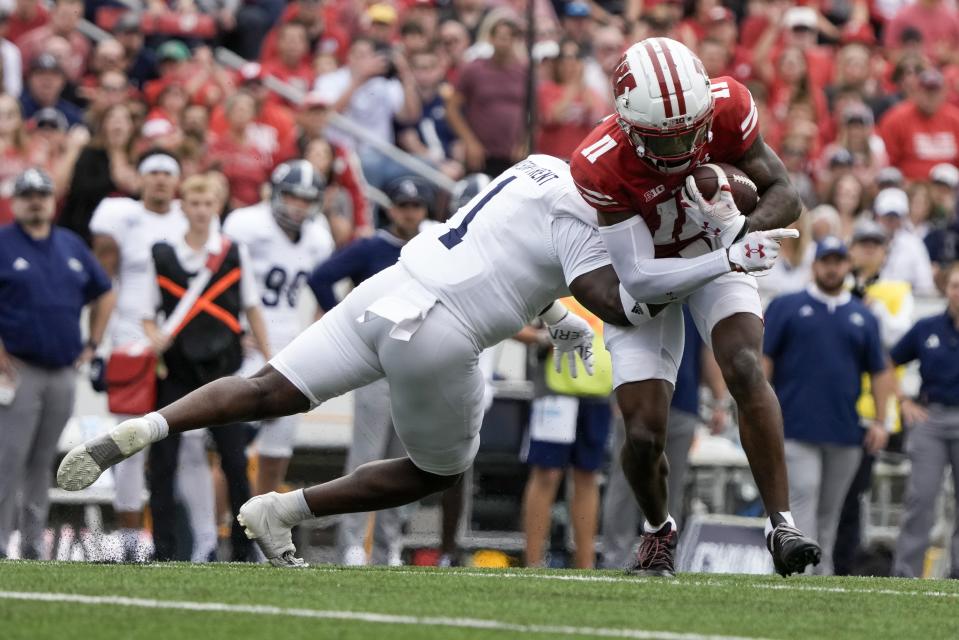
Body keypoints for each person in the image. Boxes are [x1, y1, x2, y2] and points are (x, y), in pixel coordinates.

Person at [57, 154, 797, 567]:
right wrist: (587, 316)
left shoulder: (530, 170)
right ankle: (284, 508)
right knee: (435, 470)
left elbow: (511, 253)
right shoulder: (591, 217)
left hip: (395, 284)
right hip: (439, 333)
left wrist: (550, 317)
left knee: (266, 388)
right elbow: (622, 302)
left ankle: (146, 426)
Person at [568, 36, 820, 576]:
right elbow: (638, 278)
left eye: (692, 130)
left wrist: (744, 231)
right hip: (650, 275)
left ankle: (783, 524)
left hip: (714, 251)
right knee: (642, 432)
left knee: (747, 366)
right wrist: (731, 256)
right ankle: (659, 529)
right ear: (630, 128)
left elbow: (785, 192)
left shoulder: (726, 104)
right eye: (666, 140)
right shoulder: (601, 163)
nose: (683, 148)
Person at [141, 174, 272, 563]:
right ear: (183, 207)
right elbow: (148, 315)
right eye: (194, 204)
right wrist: (153, 336)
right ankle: (163, 548)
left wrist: (269, 361)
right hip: (178, 373)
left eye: (208, 204)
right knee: (163, 462)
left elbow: (252, 308)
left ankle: (243, 549)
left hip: (224, 374)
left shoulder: (233, 252)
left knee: (235, 461)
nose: (201, 211)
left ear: (217, 208)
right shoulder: (162, 254)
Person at [308, 176, 431, 566]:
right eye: (403, 205)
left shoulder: (431, 247)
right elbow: (320, 277)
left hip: (416, 366)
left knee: (405, 459)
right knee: (366, 456)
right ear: (391, 209)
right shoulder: (371, 247)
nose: (410, 213)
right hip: (378, 364)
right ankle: (351, 542)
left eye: (416, 206)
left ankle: (388, 545)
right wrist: (346, 324)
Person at [763, 237, 895, 575]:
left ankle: (821, 571)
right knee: (804, 496)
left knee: (831, 509)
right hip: (795, 425)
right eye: (827, 260)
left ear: (847, 266)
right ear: (815, 264)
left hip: (844, 430)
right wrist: (759, 412)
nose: (832, 267)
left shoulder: (862, 317)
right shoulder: (787, 306)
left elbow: (880, 372)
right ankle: (800, 570)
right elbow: (763, 362)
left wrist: (881, 421)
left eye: (838, 261)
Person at [0, 168, 114, 559]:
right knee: (7, 458)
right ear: (15, 201)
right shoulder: (3, 243)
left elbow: (105, 292)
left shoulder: (70, 245)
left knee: (42, 462)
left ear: (52, 201)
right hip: (17, 369)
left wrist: (93, 343)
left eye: (42, 194)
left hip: (62, 370)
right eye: (28, 194)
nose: (36, 200)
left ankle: (33, 545)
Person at [89, 149, 187, 561]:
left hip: (179, 342)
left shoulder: (192, 217)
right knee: (127, 444)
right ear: (141, 179)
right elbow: (104, 282)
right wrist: (98, 344)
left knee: (188, 446)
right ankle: (130, 539)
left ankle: (187, 537)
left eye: (168, 172)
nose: (161, 179)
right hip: (131, 339)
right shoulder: (122, 218)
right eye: (154, 172)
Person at [222, 160, 334, 496]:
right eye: (292, 196)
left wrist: (315, 332)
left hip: (290, 343)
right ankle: (217, 535)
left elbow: (325, 288)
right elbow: (221, 281)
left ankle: (257, 535)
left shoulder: (318, 236)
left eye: (306, 199)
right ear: (276, 193)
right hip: (248, 341)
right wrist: (233, 332)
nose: (298, 206)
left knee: (276, 452)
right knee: (233, 448)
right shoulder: (245, 224)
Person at [601, 307, 728, 569]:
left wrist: (719, 399)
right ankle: (616, 558)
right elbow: (617, 336)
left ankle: (663, 556)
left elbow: (707, 348)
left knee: (671, 486)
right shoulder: (642, 282)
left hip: (682, 402)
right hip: (638, 399)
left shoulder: (695, 295)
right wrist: (618, 392)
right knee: (625, 482)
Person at [521, 298, 613, 570]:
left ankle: (585, 565)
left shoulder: (609, 282)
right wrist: (544, 337)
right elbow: (513, 327)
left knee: (588, 476)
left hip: (598, 392)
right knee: (547, 475)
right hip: (554, 391)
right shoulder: (550, 282)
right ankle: (533, 562)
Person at [891, 264, 959, 579]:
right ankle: (907, 574)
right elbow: (888, 362)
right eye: (955, 285)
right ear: (946, 289)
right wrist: (903, 401)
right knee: (921, 499)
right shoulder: (927, 327)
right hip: (931, 418)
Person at [873, 188, 937, 296]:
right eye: (887, 216)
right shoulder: (863, 241)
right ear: (877, 216)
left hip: (906, 303)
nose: (891, 221)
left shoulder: (914, 244)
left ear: (904, 217)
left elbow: (925, 285)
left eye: (896, 216)